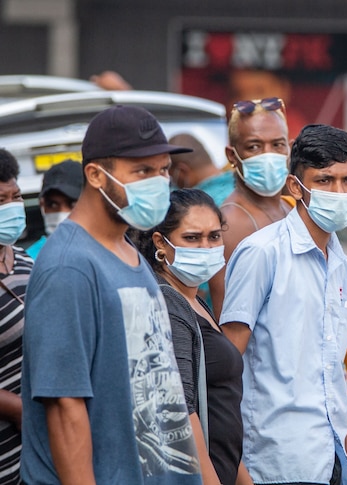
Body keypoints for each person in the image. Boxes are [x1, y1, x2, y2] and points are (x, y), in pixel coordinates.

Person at [21, 105, 202, 484]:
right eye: (142, 171)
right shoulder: (68, 267)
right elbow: (64, 408)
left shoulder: (127, 253)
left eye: (163, 169)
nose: (158, 182)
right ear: (95, 175)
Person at [219, 124, 347, 485]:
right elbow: (225, 371)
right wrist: (235, 472)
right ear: (295, 187)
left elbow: (329, 374)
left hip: (331, 460)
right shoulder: (262, 253)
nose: (339, 191)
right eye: (325, 180)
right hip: (275, 462)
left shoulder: (337, 259)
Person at [131, 189, 249, 485]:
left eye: (214, 237)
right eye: (192, 238)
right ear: (161, 243)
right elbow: (181, 409)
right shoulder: (168, 306)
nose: (206, 247)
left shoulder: (194, 300)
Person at [209, 97, 292, 318]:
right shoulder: (230, 223)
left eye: (277, 145)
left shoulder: (290, 207)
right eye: (254, 146)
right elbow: (228, 321)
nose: (268, 156)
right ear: (232, 156)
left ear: (289, 148)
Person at [0, 149, 32, 485]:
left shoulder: (24, 261)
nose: (11, 206)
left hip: (40, 440)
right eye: (1, 199)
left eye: (16, 196)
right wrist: (18, 408)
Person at [26, 159, 83, 259]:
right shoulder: (30, 261)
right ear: (42, 205)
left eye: (72, 204)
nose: (62, 212)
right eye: (52, 205)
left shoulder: (109, 251)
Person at [168, 134, 234, 206]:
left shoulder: (197, 205)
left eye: (172, 177)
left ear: (182, 171)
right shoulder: (240, 186)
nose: (172, 183)